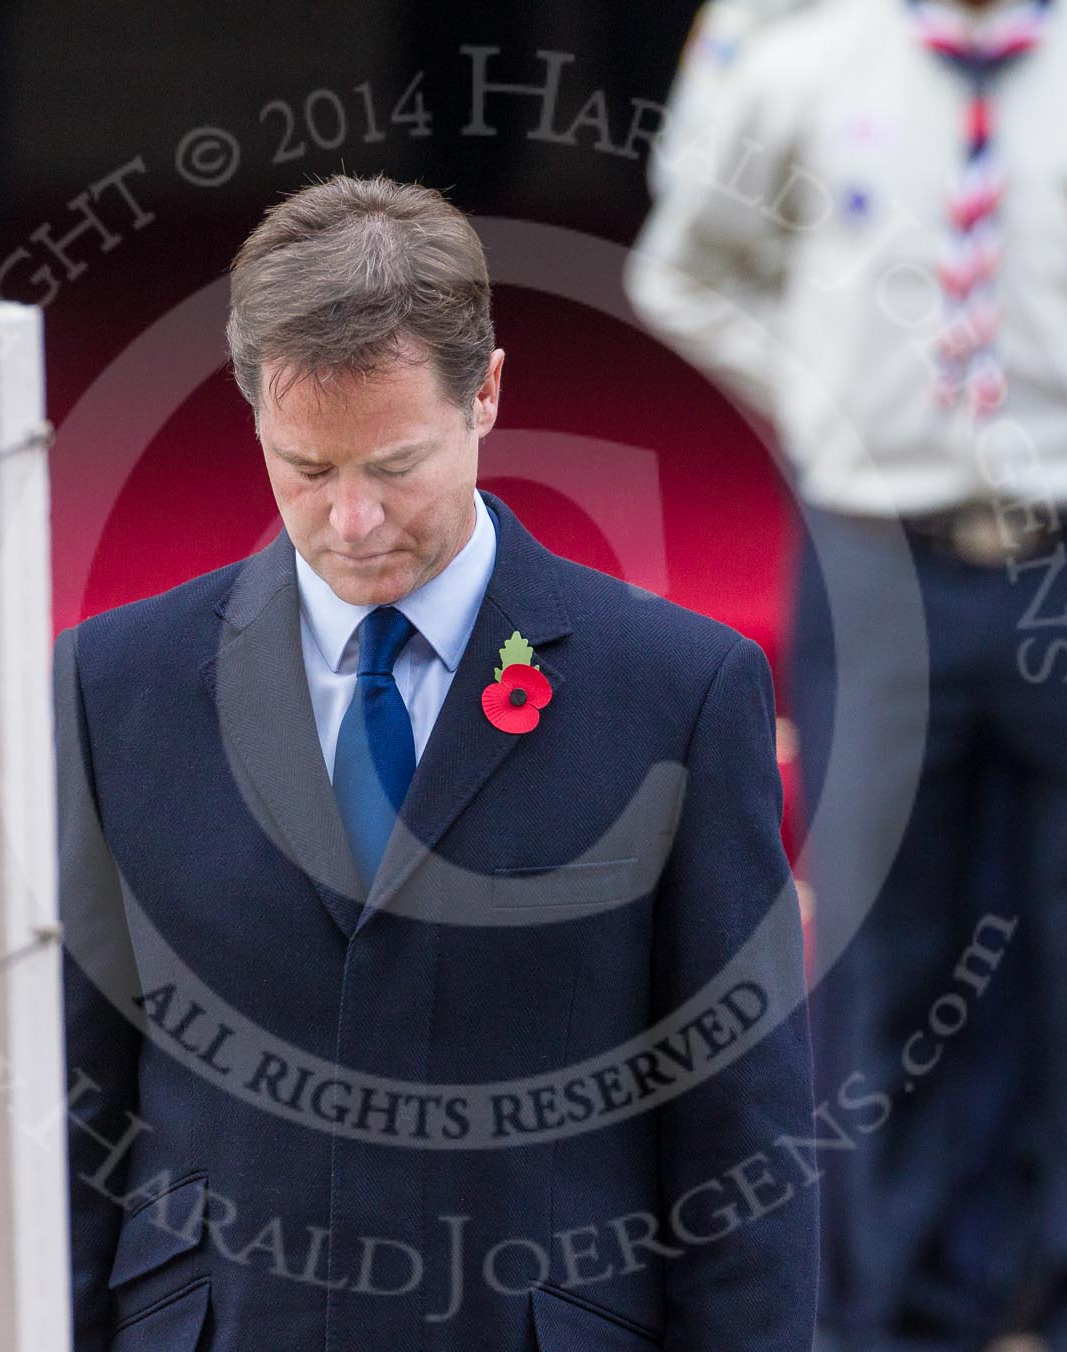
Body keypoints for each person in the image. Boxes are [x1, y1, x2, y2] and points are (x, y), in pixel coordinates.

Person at [627, 1, 1067, 1346]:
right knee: (889, 944)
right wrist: (811, 378)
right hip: (883, 566)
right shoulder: (805, 64)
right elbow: (684, 267)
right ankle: (901, 1302)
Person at [55, 175, 819, 1352]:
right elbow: (77, 1110)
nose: (352, 521)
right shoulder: (113, 687)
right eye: (307, 468)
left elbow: (741, 1134)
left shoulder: (678, 690)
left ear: (489, 394)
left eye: (395, 463)